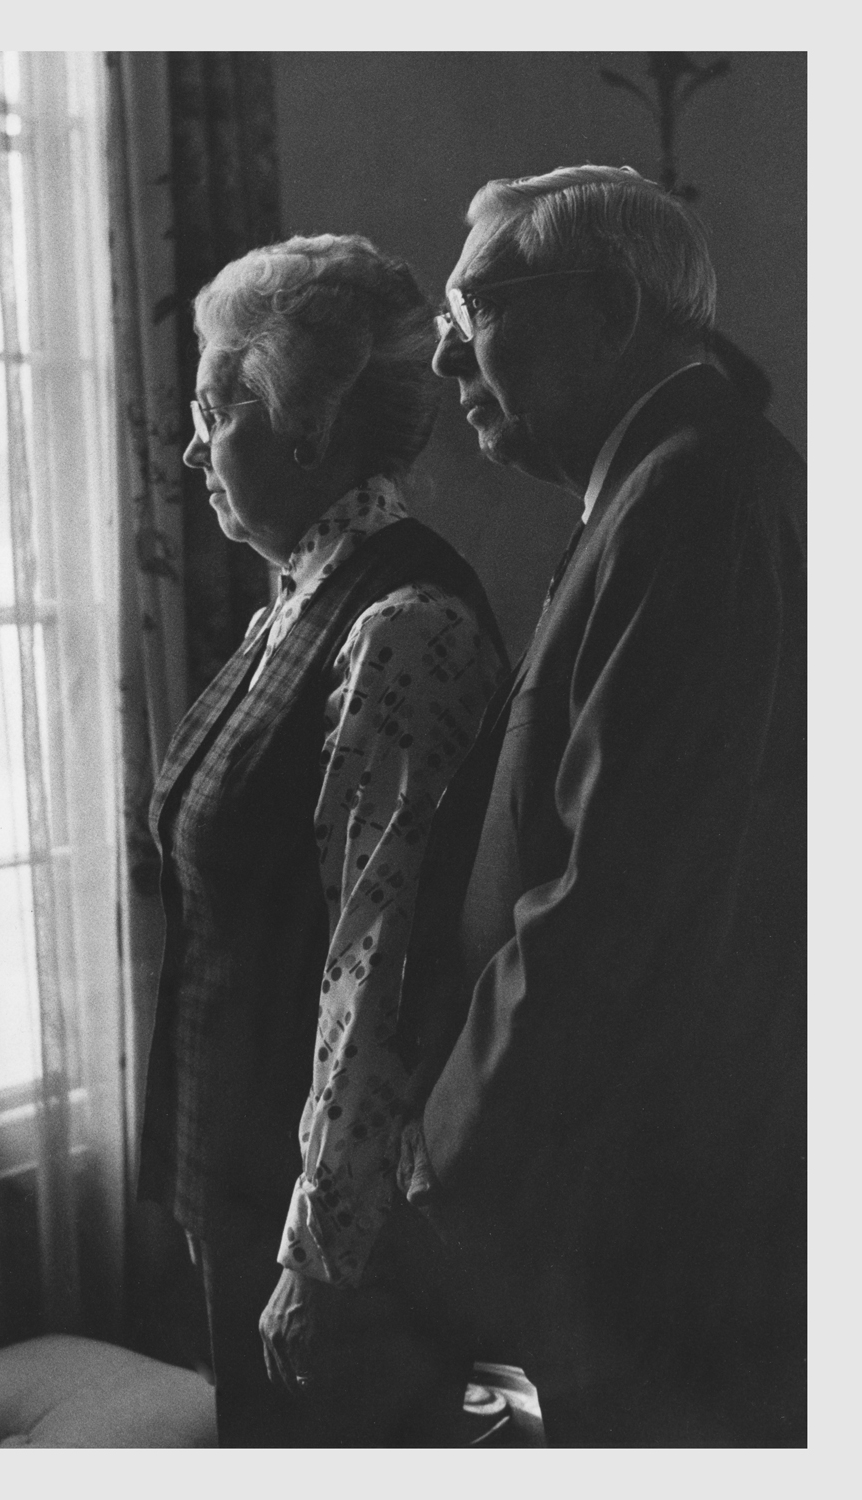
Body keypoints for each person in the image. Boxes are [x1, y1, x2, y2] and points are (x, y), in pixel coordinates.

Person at [395, 166, 806, 1446]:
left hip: (656, 1197)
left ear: (614, 307)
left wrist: (446, 1136)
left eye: (478, 313)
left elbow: (617, 892)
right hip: (640, 1170)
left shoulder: (689, 495)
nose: (448, 361)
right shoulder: (669, 479)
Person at [137, 233, 506, 1445]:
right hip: (237, 1171)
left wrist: (318, 1252)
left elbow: (377, 968)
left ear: (305, 431)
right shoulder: (295, 596)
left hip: (330, 1225)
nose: (192, 450)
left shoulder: (400, 625)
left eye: (215, 413)